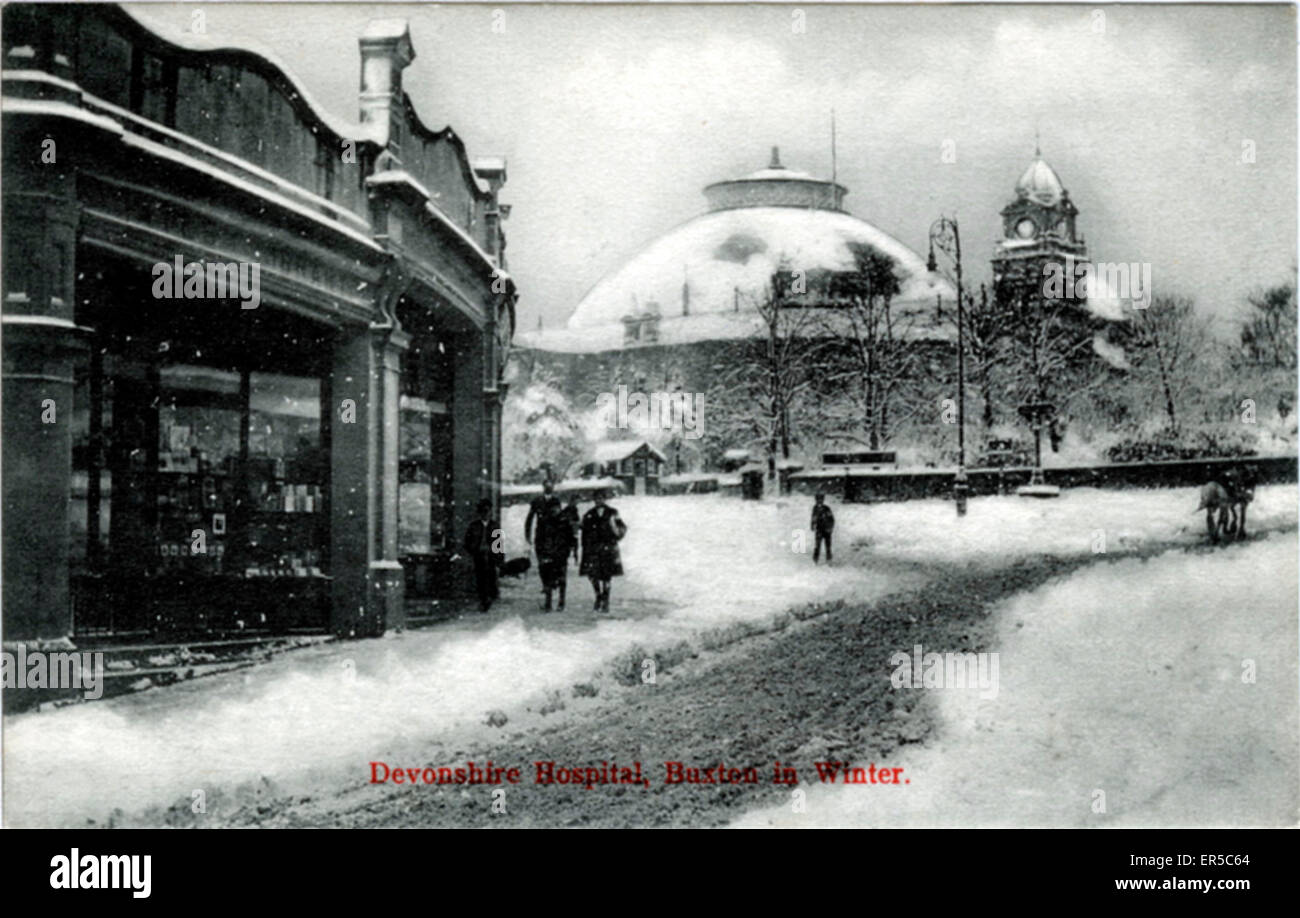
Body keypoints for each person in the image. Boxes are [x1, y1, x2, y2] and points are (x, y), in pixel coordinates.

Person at [580, 489, 627, 613]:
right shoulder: (589, 514)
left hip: (608, 549)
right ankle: (598, 595)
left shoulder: (612, 512)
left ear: (604, 499)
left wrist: (616, 537)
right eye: (596, 498)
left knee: (606, 576)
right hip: (593, 549)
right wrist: (585, 547)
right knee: (593, 576)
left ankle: (606, 600)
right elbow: (584, 532)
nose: (598, 501)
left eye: (601, 498)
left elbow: (622, 527)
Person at [525, 482, 569, 612]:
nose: (549, 488)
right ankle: (547, 590)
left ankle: (558, 601)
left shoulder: (556, 501)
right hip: (541, 538)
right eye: (547, 486)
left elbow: (561, 520)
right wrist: (527, 535)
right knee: (543, 567)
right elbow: (529, 519)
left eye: (551, 486)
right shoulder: (537, 501)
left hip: (555, 539)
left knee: (557, 569)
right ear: (543, 487)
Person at [463, 499, 502, 613]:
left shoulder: (495, 526)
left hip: (491, 556)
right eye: (483, 512)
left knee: (490, 576)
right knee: (480, 577)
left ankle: (489, 596)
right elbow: (467, 542)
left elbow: (499, 544)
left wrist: (499, 559)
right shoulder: (474, 526)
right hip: (478, 555)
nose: (486, 514)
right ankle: (483, 599)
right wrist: (473, 551)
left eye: (487, 511)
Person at [811, 491, 835, 564]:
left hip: (826, 529)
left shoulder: (827, 508)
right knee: (817, 545)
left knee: (828, 545)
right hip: (819, 529)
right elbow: (813, 517)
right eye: (818, 499)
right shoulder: (815, 508)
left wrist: (830, 527)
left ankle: (829, 559)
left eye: (821, 499)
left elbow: (832, 519)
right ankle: (815, 559)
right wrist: (812, 525)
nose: (819, 501)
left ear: (823, 500)